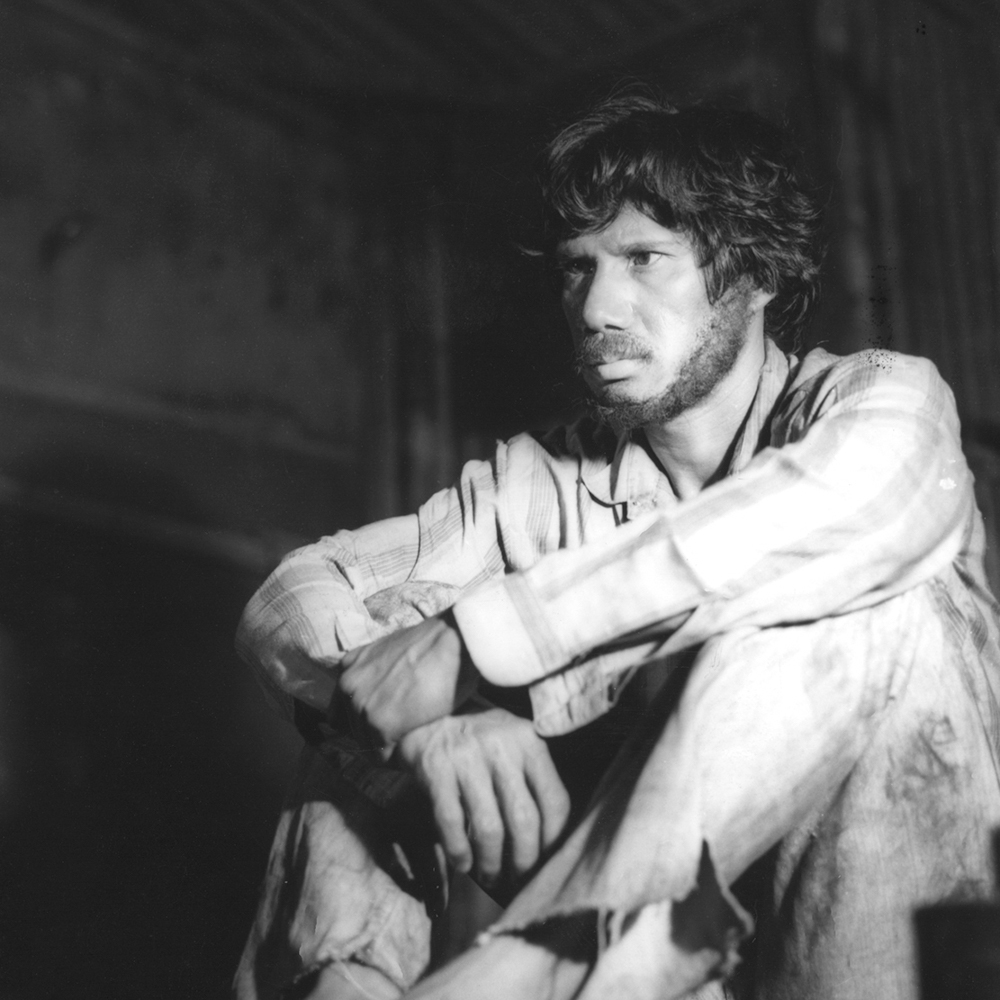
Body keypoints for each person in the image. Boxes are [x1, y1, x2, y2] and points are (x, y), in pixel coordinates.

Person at [232, 93, 1000, 1000]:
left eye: (643, 258)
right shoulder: (545, 480)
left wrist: (484, 639)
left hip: (878, 947)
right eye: (576, 267)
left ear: (755, 275)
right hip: (673, 966)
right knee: (371, 679)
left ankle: (536, 963)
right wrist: (429, 726)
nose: (596, 306)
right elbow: (295, 593)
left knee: (872, 595)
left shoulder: (878, 400)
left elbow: (856, 504)